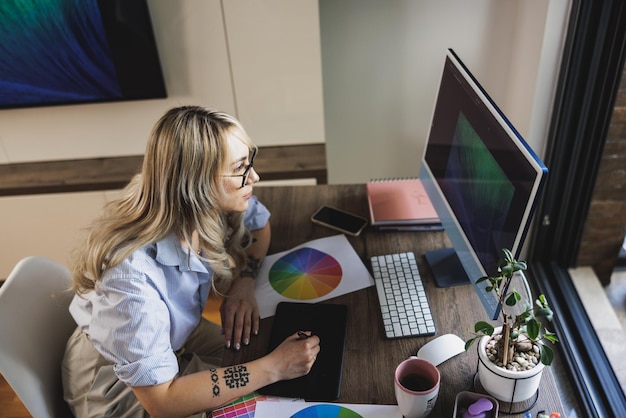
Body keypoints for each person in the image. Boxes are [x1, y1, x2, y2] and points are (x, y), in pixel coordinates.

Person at [62, 106, 321, 418]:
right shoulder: (128, 278)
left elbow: (258, 226)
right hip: (118, 383)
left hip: (172, 336)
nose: (254, 176)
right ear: (196, 184)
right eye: (240, 168)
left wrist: (244, 283)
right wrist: (272, 369)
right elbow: (162, 402)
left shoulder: (195, 200)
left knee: (261, 357)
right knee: (264, 383)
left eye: (249, 161)